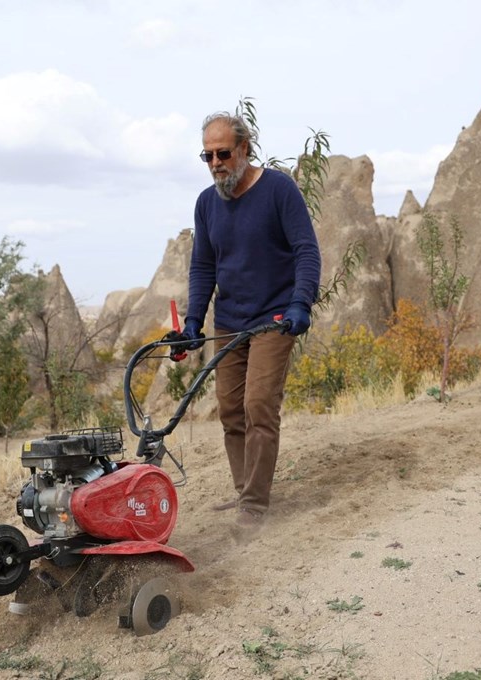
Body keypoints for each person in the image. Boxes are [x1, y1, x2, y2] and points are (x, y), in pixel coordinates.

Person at [180, 111, 321, 541]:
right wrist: (191, 321)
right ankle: (246, 490)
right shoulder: (207, 203)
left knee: (259, 404)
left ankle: (256, 505)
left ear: (244, 148)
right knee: (229, 409)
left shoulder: (278, 189)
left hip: (275, 316)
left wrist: (301, 303)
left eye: (224, 153)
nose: (216, 162)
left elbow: (306, 251)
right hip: (229, 321)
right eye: (208, 156)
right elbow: (204, 266)